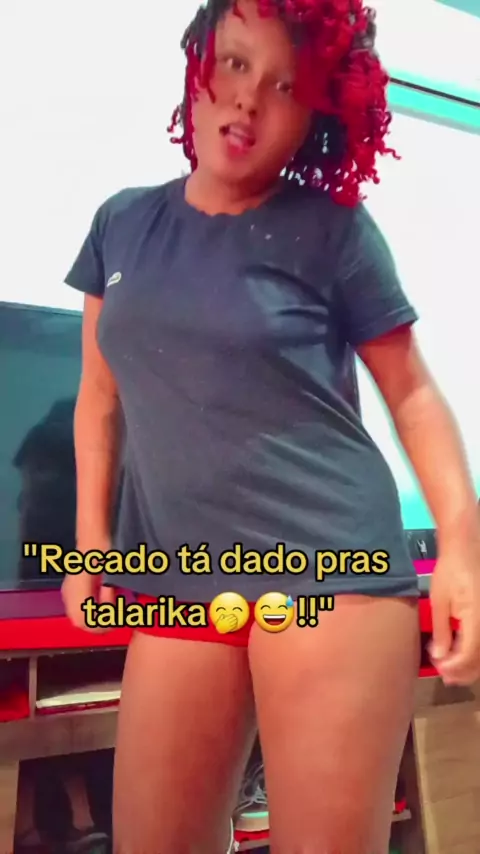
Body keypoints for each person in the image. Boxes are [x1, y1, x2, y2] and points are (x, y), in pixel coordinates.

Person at [62, 1, 480, 852]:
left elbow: (412, 394)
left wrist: (463, 552)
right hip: (181, 578)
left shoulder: (334, 232)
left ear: (317, 117)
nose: (251, 99)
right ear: (198, 65)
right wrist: (91, 543)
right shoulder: (121, 224)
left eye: (287, 87)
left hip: (332, 571)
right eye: (237, 63)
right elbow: (99, 398)